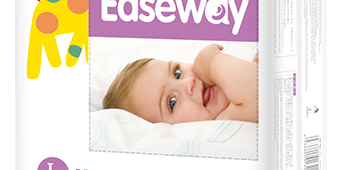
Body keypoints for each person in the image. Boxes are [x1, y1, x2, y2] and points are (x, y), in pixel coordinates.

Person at [102, 44, 258, 124]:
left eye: (177, 73)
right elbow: (257, 91)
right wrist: (213, 61)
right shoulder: (224, 120)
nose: (189, 82)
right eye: (172, 102)